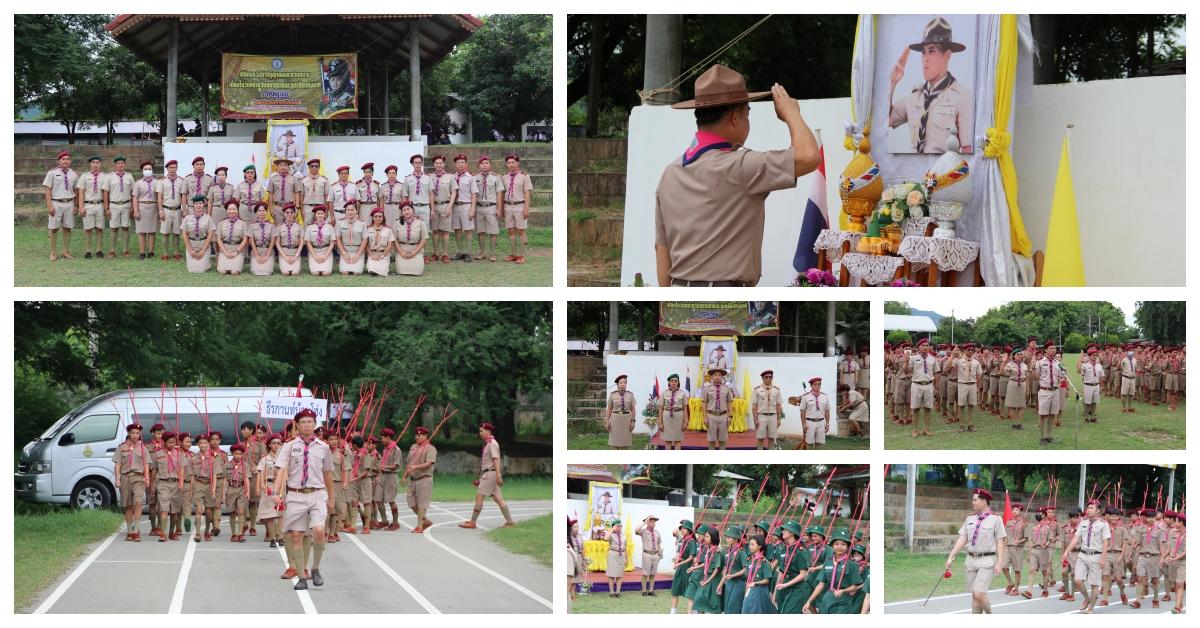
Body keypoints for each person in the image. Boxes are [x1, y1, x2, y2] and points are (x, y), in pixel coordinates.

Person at [655, 64, 819, 287]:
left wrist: (668, 306)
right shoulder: (741, 166)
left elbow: (661, 248)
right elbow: (809, 156)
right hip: (728, 305)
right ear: (735, 118)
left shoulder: (670, 173)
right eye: (747, 114)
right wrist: (791, 113)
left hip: (678, 297)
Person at [887, 17, 974, 154]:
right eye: (923, 52)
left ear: (947, 56)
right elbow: (885, 120)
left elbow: (968, 151)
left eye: (931, 51)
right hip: (914, 171)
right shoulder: (914, 97)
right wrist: (892, 83)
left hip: (944, 173)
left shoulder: (962, 97)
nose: (925, 58)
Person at [272, 408, 335, 590]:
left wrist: (332, 497)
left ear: (315, 425)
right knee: (297, 536)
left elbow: (328, 473)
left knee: (319, 531)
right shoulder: (290, 446)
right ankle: (301, 576)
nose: (307, 425)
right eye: (303, 422)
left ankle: (315, 568)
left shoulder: (323, 447)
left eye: (310, 422)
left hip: (317, 493)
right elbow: (281, 470)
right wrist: (276, 492)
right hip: (296, 494)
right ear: (297, 426)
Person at [945, 488, 1006, 613]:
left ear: (984, 501)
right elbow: (963, 538)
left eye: (975, 500)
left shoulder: (996, 519)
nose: (972, 502)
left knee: (979, 594)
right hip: (970, 560)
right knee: (974, 595)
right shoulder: (970, 518)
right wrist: (951, 556)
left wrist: (1000, 563)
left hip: (986, 560)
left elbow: (1000, 541)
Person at [459, 423, 516, 529]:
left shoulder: (492, 443)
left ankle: (472, 522)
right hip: (488, 474)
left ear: (488, 431)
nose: (479, 433)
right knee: (498, 498)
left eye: (481, 431)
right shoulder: (488, 443)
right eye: (479, 431)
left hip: (490, 474)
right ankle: (510, 522)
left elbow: (496, 459)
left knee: (479, 497)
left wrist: (499, 475)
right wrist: (479, 478)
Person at [1061, 499, 1111, 613]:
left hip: (1096, 556)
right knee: (1078, 580)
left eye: (1091, 508)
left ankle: (1091, 608)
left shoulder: (1103, 524)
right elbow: (1075, 538)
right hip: (1083, 555)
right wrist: (1066, 551)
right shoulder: (1083, 523)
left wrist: (1103, 559)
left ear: (1098, 511)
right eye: (1088, 508)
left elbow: (1105, 542)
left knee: (1094, 584)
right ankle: (1087, 599)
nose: (1088, 510)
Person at [806, 528, 864, 614]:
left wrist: (843, 591)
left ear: (847, 547)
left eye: (843, 544)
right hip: (827, 598)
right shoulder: (828, 562)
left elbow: (856, 586)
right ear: (832, 546)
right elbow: (820, 585)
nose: (839, 547)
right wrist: (809, 601)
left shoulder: (852, 564)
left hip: (843, 600)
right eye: (836, 544)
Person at [113, 422, 149, 541]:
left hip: (138, 478)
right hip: (125, 478)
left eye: (137, 433)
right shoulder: (121, 448)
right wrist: (117, 479)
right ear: (129, 433)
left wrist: (147, 478)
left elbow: (146, 465)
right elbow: (117, 465)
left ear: (140, 434)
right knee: (128, 505)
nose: (135, 435)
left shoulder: (143, 449)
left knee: (138, 503)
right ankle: (129, 531)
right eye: (132, 433)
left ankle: (136, 531)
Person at [43, 150, 78, 260]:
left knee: (67, 228)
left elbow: (76, 190)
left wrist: (76, 205)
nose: (65, 161)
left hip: (69, 203)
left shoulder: (74, 174)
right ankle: (53, 252)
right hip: (56, 203)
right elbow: (48, 189)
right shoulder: (52, 173)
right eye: (63, 159)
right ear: (59, 161)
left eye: (67, 159)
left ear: (70, 161)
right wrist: (49, 206)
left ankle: (65, 251)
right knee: (54, 229)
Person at [499, 154, 533, 264]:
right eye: (509, 163)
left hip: (520, 206)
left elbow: (527, 193)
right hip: (508, 206)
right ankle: (514, 254)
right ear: (506, 164)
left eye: (513, 162)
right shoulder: (504, 177)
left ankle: (522, 255)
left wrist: (526, 208)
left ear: (517, 163)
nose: (511, 164)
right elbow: (503, 193)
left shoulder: (524, 176)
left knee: (521, 231)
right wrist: (502, 208)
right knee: (511, 231)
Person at [150, 431, 183, 541]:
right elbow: (154, 470)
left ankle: (171, 532)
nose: (172, 444)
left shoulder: (179, 454)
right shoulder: (157, 454)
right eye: (170, 442)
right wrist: (152, 485)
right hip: (163, 483)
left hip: (175, 484)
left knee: (174, 513)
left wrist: (181, 483)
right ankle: (163, 534)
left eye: (174, 442)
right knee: (164, 510)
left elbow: (181, 469)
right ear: (164, 442)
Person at [405, 426, 438, 533]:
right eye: (416, 435)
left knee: (422, 504)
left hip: (424, 479)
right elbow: (409, 462)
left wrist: (416, 467)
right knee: (412, 503)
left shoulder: (430, 448)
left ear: (426, 436)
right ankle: (425, 521)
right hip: (412, 478)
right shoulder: (413, 447)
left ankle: (420, 526)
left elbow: (429, 463)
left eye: (420, 435)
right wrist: (405, 475)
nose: (417, 437)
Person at [773, 520, 811, 613]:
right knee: (781, 611)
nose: (783, 531)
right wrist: (775, 592)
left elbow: (803, 574)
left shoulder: (801, 551)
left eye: (786, 530)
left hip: (796, 587)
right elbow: (781, 571)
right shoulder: (784, 548)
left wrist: (786, 585)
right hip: (783, 585)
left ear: (793, 533)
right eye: (784, 530)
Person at [1130, 507, 1165, 608]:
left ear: (1154, 518)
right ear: (1145, 518)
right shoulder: (1140, 529)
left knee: (1154, 580)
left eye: (1152, 517)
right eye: (1148, 517)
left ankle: (1155, 599)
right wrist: (1134, 546)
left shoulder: (1159, 531)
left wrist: (1162, 558)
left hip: (1154, 558)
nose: (1150, 519)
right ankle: (1137, 600)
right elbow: (1137, 542)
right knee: (1140, 578)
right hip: (1143, 557)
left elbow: (1161, 545)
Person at [402, 154, 433, 260]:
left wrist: (432, 209)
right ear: (412, 164)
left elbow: (431, 194)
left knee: (424, 232)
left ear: (422, 163)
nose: (418, 165)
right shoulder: (407, 179)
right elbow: (405, 196)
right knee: (414, 231)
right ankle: (414, 252)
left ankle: (423, 254)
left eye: (420, 162)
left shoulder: (428, 178)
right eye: (416, 163)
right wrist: (405, 210)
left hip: (424, 207)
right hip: (412, 208)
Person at [1099, 506, 1131, 607]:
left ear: (1118, 517)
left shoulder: (1122, 528)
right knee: (1105, 576)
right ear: (1108, 516)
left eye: (1115, 516)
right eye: (1112, 516)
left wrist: (1122, 556)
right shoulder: (1104, 528)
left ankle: (1122, 593)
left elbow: (1125, 543)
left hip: (1117, 554)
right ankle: (1105, 599)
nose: (1113, 518)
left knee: (1118, 579)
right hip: (1107, 554)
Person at [257, 433, 284, 547]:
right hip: (269, 486)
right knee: (270, 515)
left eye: (278, 443)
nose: (276, 445)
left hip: (282, 487)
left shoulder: (284, 458)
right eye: (274, 443)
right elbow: (260, 473)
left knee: (281, 513)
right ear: (269, 445)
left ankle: (281, 537)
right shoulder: (264, 459)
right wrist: (261, 486)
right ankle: (272, 538)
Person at [76, 155, 107, 259]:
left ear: (100, 164)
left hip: (100, 205)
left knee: (99, 228)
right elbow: (81, 192)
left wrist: (107, 207)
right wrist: (81, 207)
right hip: (88, 205)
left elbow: (107, 193)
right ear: (90, 164)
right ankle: (88, 250)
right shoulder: (84, 176)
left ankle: (99, 250)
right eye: (93, 162)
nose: (95, 164)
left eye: (97, 162)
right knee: (88, 229)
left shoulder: (105, 176)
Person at [104, 156, 133, 258]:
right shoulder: (109, 177)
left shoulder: (129, 176)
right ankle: (112, 250)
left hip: (126, 205)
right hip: (114, 205)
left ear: (125, 165)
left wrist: (132, 206)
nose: (120, 165)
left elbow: (132, 192)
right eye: (118, 163)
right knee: (114, 228)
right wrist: (106, 208)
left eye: (122, 163)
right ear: (115, 165)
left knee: (125, 227)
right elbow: (106, 193)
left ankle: (125, 249)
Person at [474, 156, 502, 261]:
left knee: (493, 231)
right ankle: (482, 253)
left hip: (491, 207)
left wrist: (499, 209)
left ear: (490, 165)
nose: (484, 165)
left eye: (487, 163)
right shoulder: (474, 177)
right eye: (482, 163)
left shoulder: (496, 177)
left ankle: (492, 254)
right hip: (479, 207)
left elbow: (499, 194)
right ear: (479, 165)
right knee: (480, 231)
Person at [909, 339, 939, 437]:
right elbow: (906, 371)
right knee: (916, 408)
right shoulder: (913, 358)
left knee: (928, 408)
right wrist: (905, 363)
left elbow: (936, 373)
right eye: (923, 345)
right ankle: (915, 430)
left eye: (927, 345)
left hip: (929, 385)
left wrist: (936, 386)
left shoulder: (933, 359)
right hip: (916, 385)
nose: (926, 347)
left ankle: (926, 429)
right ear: (919, 347)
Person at [156, 160, 185, 261]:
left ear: (177, 168)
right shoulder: (162, 181)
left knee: (176, 233)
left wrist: (183, 209)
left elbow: (183, 196)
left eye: (174, 167)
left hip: (177, 210)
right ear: (167, 169)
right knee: (165, 233)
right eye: (170, 168)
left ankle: (176, 252)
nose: (172, 169)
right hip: (166, 209)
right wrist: (160, 211)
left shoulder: (181, 181)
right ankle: (165, 253)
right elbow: (159, 197)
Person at [429, 155, 456, 263]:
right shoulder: (430, 177)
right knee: (435, 231)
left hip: (445, 205)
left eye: (440, 163)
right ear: (434, 165)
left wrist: (450, 206)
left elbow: (454, 192)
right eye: (436, 163)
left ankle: (445, 254)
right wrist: (431, 208)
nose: (438, 165)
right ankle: (436, 253)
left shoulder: (450, 177)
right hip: (434, 206)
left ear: (444, 164)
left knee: (445, 231)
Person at [742, 534, 778, 613]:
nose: (750, 547)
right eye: (749, 544)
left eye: (752, 544)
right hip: (749, 589)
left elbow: (767, 580)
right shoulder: (750, 559)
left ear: (759, 546)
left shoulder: (763, 561)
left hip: (759, 590)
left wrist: (755, 583)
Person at [1035, 340, 1062, 445]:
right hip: (1044, 391)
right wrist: (1033, 369)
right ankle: (1042, 437)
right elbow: (1036, 377)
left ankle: (1049, 436)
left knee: (1052, 415)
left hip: (1055, 391)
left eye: (1055, 348)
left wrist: (1061, 378)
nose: (1054, 350)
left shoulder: (1058, 363)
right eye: (1051, 348)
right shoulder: (1040, 362)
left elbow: (1061, 376)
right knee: (1043, 415)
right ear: (1046, 350)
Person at [451, 154, 478, 261]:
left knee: (468, 231)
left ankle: (469, 253)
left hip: (466, 206)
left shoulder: (470, 178)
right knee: (457, 230)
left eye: (462, 162)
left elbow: (474, 194)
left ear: (466, 164)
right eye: (458, 163)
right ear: (455, 164)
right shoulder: (452, 177)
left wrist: (472, 209)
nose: (460, 164)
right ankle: (460, 251)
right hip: (455, 206)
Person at [693, 525, 725, 613]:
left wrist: (707, 581)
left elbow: (716, 570)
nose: (705, 538)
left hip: (714, 581)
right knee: (699, 600)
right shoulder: (709, 550)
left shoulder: (717, 552)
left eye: (707, 536)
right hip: (706, 578)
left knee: (713, 605)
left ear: (713, 538)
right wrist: (694, 567)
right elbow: (706, 564)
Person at [132, 160, 159, 260]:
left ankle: (151, 251)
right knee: (142, 231)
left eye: (149, 169)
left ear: (152, 170)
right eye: (145, 169)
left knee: (152, 231)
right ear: (142, 171)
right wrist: (135, 210)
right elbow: (135, 197)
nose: (147, 171)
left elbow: (159, 196)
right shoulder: (138, 183)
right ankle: (142, 252)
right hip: (142, 207)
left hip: (153, 207)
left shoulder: (157, 182)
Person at [376, 427, 403, 530]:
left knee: (391, 500)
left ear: (388, 437)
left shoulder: (396, 450)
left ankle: (395, 522)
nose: (381, 440)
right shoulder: (385, 450)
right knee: (378, 499)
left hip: (391, 476)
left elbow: (396, 465)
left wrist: (384, 467)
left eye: (382, 438)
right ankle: (384, 520)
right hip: (383, 475)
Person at [180, 195, 214, 273]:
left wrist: (203, 250)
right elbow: (184, 234)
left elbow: (210, 235)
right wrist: (190, 250)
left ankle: (206, 263)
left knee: (201, 270)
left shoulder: (208, 218)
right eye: (196, 204)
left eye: (200, 203)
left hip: (204, 245)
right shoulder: (187, 218)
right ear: (193, 205)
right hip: (192, 246)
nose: (198, 205)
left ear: (203, 205)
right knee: (192, 270)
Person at [702, 367, 734, 450]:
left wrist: (730, 416)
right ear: (712, 377)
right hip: (711, 416)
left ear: (722, 377)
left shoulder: (726, 389)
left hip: (723, 416)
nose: (717, 377)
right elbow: (704, 403)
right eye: (715, 375)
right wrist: (705, 417)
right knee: (711, 440)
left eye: (719, 375)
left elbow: (730, 402)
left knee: (723, 440)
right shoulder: (707, 389)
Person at [394, 201, 429, 276]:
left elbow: (424, 239)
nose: (407, 211)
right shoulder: (397, 223)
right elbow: (395, 240)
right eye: (404, 210)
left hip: (416, 250)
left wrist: (414, 252)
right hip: (402, 250)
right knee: (401, 271)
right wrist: (401, 252)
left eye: (408, 209)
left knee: (417, 272)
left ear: (413, 210)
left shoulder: (420, 223)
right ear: (401, 213)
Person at [225, 443, 251, 542]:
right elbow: (224, 480)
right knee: (232, 512)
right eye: (236, 453)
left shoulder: (245, 466)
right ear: (232, 453)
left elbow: (246, 479)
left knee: (241, 511)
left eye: (240, 454)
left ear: (242, 454)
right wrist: (223, 493)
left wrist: (248, 491)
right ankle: (234, 534)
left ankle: (240, 534)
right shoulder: (227, 465)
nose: (238, 456)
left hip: (241, 488)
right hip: (231, 489)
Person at [720, 525, 748, 613]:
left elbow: (745, 569)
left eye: (729, 537)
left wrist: (732, 575)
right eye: (726, 537)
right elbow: (725, 567)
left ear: (736, 538)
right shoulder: (727, 551)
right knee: (727, 608)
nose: (727, 539)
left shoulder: (741, 551)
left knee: (734, 608)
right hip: (728, 583)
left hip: (738, 583)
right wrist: (724, 577)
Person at [1002, 502, 1028, 596]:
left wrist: (1019, 541)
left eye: (1017, 510)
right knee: (1004, 567)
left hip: (1018, 549)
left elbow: (1026, 538)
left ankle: (1016, 589)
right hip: (1008, 548)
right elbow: (1004, 535)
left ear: (1021, 511)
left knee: (1017, 570)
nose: (1014, 511)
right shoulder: (1009, 522)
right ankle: (1010, 583)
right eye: (1013, 509)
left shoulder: (1024, 523)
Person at [753, 369, 783, 449]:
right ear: (762, 378)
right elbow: (754, 406)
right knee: (760, 438)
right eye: (766, 377)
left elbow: (778, 405)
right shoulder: (757, 390)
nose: (768, 379)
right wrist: (755, 419)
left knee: (772, 439)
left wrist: (779, 419)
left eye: (770, 377)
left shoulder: (777, 390)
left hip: (773, 417)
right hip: (761, 416)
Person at [214, 200, 247, 275]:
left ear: (237, 210)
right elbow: (218, 239)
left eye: (234, 209)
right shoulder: (221, 223)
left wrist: (237, 251)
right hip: (225, 250)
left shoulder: (243, 224)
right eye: (229, 209)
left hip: (238, 251)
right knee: (222, 271)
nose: (231, 211)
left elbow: (245, 239)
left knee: (234, 272)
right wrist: (225, 252)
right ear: (227, 211)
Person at [659, 373, 689, 450]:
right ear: (669, 382)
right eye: (671, 381)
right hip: (667, 418)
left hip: (678, 418)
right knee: (668, 440)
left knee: (677, 440)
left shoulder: (682, 393)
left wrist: (685, 421)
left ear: (678, 382)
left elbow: (685, 408)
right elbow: (661, 408)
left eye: (675, 381)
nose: (673, 382)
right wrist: (660, 422)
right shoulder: (664, 393)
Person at [956, 343, 983, 432]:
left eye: (972, 350)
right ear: (964, 350)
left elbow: (979, 375)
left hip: (972, 385)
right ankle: (961, 424)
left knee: (971, 405)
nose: (970, 351)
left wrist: (978, 387)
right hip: (963, 384)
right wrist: (954, 355)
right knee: (961, 405)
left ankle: (970, 424)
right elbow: (949, 365)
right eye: (968, 350)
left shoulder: (976, 362)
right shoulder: (959, 360)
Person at [335, 200, 366, 275]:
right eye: (348, 210)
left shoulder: (362, 223)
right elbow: (338, 239)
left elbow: (365, 240)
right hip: (346, 251)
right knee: (344, 272)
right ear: (345, 211)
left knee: (357, 272)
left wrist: (358, 254)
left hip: (357, 251)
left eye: (352, 210)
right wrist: (344, 253)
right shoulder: (339, 223)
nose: (350, 212)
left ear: (356, 211)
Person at [606, 374, 636, 449]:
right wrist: (607, 421)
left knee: (625, 444)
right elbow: (609, 409)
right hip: (615, 420)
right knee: (614, 443)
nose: (623, 384)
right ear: (617, 384)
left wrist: (633, 421)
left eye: (624, 382)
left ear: (626, 384)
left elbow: (633, 409)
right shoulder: (612, 395)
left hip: (626, 421)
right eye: (621, 383)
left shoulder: (630, 395)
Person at [799, 377, 830, 448]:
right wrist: (803, 424)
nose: (817, 386)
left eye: (819, 384)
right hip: (810, 422)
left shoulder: (825, 396)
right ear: (811, 386)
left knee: (819, 443)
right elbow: (802, 411)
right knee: (809, 443)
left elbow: (827, 411)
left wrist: (827, 424)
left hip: (821, 422)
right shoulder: (806, 397)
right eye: (815, 384)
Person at [635, 515, 663, 596]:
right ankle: (644, 590)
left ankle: (651, 590)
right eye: (651, 521)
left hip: (655, 555)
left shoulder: (657, 532)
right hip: (647, 554)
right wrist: (645, 521)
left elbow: (658, 543)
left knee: (653, 574)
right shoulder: (643, 531)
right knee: (645, 573)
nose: (653, 523)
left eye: (654, 521)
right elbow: (636, 529)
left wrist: (659, 553)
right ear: (647, 522)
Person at [247, 202, 276, 275]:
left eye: (264, 211)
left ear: (266, 212)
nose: (262, 212)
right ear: (256, 212)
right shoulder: (252, 226)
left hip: (267, 251)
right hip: (257, 250)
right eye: (260, 211)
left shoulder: (271, 226)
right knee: (255, 272)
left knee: (267, 272)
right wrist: (256, 255)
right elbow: (252, 242)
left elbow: (272, 242)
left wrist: (267, 255)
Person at [304, 206, 334, 276]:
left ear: (325, 214)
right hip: (314, 251)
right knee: (315, 273)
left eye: (321, 213)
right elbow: (308, 243)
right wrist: (314, 255)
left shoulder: (330, 227)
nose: (320, 215)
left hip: (326, 251)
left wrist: (326, 255)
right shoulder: (310, 227)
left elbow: (332, 243)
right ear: (315, 215)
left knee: (326, 273)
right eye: (318, 213)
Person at [299, 159, 329, 227]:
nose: (314, 168)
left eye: (316, 166)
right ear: (309, 168)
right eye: (312, 166)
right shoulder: (303, 180)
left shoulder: (324, 180)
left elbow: (326, 196)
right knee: (307, 228)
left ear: (319, 167)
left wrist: (326, 210)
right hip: (307, 207)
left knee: (320, 227)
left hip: (320, 207)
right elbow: (301, 196)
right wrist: (302, 210)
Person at [1004, 346, 1029, 429]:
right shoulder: (1009, 364)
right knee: (1012, 405)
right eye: (1017, 354)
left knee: (1021, 405)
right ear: (1013, 355)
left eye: (1020, 354)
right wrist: (1004, 362)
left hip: (1022, 384)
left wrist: (1028, 389)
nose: (1019, 356)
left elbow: (1027, 377)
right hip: (1013, 384)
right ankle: (1014, 423)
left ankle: (1019, 423)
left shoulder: (1024, 365)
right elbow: (1003, 372)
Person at [275, 203, 303, 276]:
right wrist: (284, 256)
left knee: (295, 273)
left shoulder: (299, 227)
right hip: (284, 252)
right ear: (284, 214)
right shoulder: (279, 227)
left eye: (291, 212)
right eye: (287, 212)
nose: (289, 214)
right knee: (285, 273)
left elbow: (301, 243)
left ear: (294, 214)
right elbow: (277, 243)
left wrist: (296, 255)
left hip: (295, 252)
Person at [365, 207, 394, 276]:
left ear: (383, 218)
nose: (378, 218)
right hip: (372, 254)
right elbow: (366, 245)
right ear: (372, 218)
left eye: (380, 216)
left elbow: (390, 245)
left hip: (384, 254)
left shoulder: (388, 230)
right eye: (375, 216)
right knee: (371, 270)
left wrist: (382, 255)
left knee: (383, 272)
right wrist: (372, 255)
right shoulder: (368, 229)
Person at [269, 157, 298, 225]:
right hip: (277, 208)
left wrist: (296, 208)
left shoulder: (294, 179)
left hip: (290, 207)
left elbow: (297, 193)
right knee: (278, 229)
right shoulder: (273, 179)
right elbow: (270, 194)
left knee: (291, 227)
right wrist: (271, 208)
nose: (283, 167)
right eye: (281, 165)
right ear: (278, 167)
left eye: (285, 165)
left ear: (288, 167)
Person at [606, 520, 628, 597]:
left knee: (619, 575)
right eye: (617, 526)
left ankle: (618, 591)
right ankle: (611, 592)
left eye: (620, 526)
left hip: (621, 555)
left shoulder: (624, 535)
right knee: (611, 575)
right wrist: (612, 530)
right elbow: (605, 538)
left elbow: (625, 548)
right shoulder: (611, 534)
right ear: (614, 526)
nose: (620, 527)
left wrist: (627, 559)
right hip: (613, 554)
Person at [380, 165, 404, 230]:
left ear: (396, 174)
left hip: (397, 208)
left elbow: (403, 200)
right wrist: (381, 211)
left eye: (393, 173)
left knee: (397, 226)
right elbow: (381, 200)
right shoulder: (383, 186)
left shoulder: (401, 185)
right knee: (387, 226)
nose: (391, 175)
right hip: (387, 208)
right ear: (387, 175)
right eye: (389, 173)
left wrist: (402, 211)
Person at [1119, 347, 1139, 413]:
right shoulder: (1124, 359)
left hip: (1133, 378)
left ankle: (1130, 407)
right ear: (1127, 352)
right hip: (1126, 378)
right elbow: (1120, 367)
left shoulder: (1134, 360)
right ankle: (1124, 407)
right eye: (1130, 350)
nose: (1131, 352)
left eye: (1132, 350)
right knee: (1124, 393)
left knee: (1131, 394)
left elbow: (1135, 368)